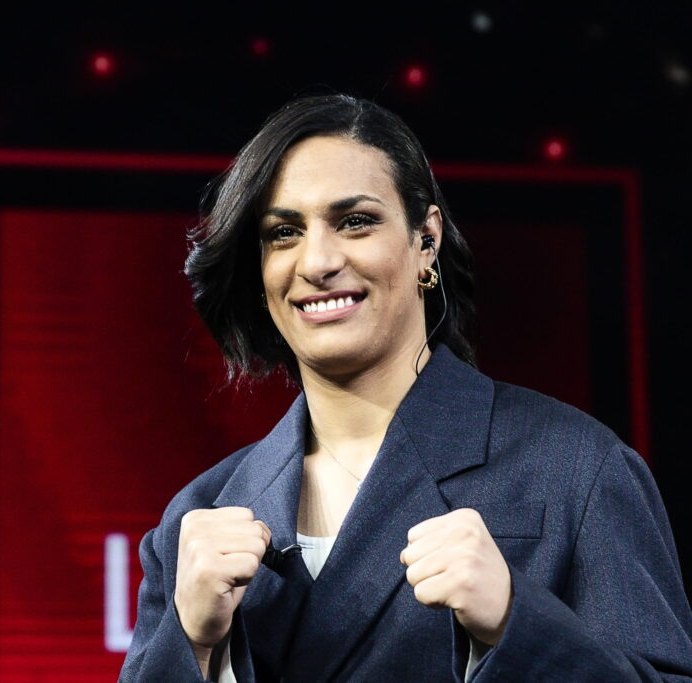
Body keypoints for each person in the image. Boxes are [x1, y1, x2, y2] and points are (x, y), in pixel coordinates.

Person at [119, 94, 692, 681]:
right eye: (284, 232)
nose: (317, 262)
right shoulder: (198, 516)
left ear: (426, 241)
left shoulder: (576, 468)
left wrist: (516, 621)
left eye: (355, 222)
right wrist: (192, 643)